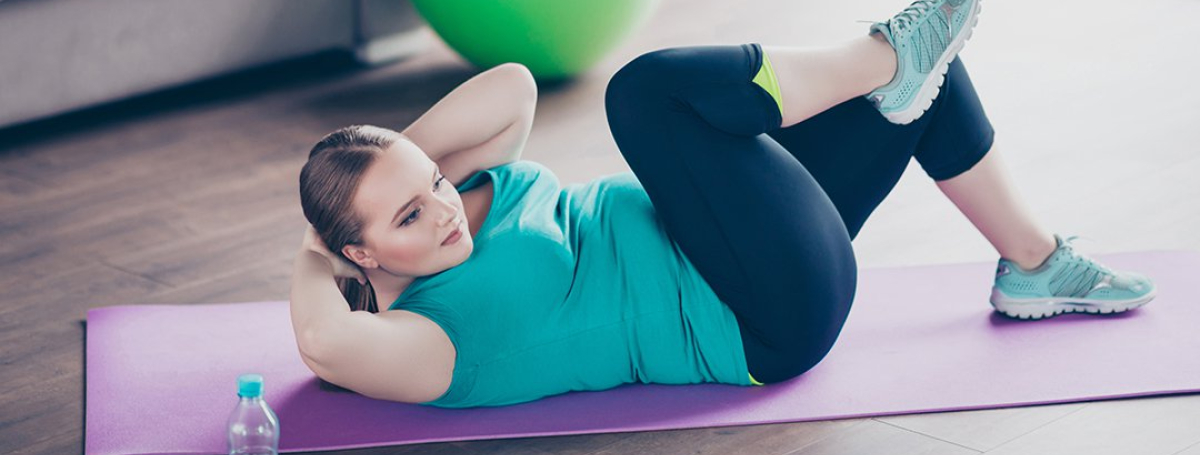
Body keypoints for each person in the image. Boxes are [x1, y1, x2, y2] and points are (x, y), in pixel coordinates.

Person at [289, 0, 1157, 409]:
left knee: (922, 87)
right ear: (360, 255)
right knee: (642, 95)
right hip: (758, 313)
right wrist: (317, 241)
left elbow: (512, 89)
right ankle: (883, 52)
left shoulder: (459, 202)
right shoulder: (423, 342)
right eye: (406, 219)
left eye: (432, 185)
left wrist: (394, 168)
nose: (440, 208)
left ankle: (1034, 265)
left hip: (734, 227)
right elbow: (323, 336)